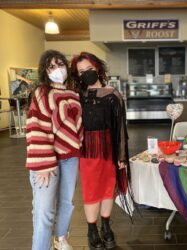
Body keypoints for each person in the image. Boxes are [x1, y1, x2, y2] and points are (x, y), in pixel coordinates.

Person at [71, 52, 133, 250]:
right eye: (81, 72)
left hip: (109, 149)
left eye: (89, 69)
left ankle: (106, 226)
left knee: (108, 188)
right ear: (77, 75)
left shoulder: (113, 95)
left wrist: (122, 155)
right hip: (87, 150)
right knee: (91, 190)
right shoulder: (76, 97)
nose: (86, 74)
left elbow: (121, 127)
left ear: (97, 68)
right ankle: (92, 230)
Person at [26, 50, 83, 250]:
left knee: (67, 203)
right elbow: (37, 127)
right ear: (44, 71)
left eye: (60, 64)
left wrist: (78, 147)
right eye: (51, 66)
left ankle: (60, 239)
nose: (57, 69)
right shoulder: (42, 93)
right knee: (44, 211)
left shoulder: (73, 94)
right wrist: (42, 164)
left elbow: (77, 127)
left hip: (70, 157)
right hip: (45, 162)